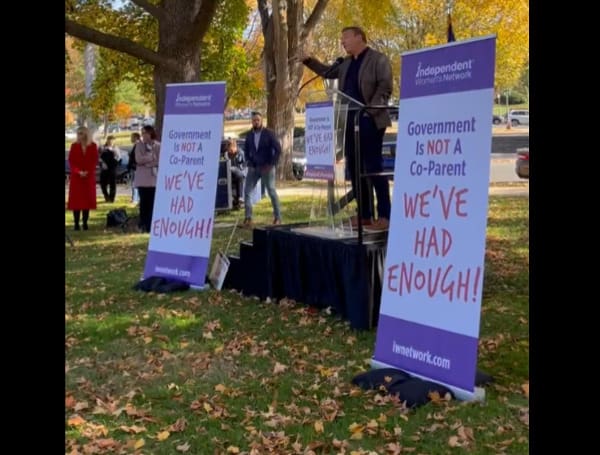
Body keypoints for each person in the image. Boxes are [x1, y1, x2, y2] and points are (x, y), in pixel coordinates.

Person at [300, 26, 393, 230]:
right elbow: (326, 72)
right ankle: (365, 215)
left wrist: (369, 110)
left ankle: (386, 215)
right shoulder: (345, 63)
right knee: (355, 168)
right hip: (349, 121)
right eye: (342, 39)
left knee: (373, 167)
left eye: (346, 38)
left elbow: (385, 86)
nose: (343, 42)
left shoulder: (378, 59)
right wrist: (308, 60)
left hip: (370, 119)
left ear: (359, 37)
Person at [243, 112, 282, 227]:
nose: (256, 122)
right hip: (254, 167)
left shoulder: (268, 133)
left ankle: (278, 217)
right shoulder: (249, 135)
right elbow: (246, 150)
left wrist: (271, 164)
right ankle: (248, 218)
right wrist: (249, 161)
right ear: (252, 121)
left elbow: (278, 149)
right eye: (254, 120)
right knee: (247, 192)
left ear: (262, 121)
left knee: (271, 191)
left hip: (267, 167)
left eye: (258, 120)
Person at [67, 126, 98, 231]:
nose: (79, 136)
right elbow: (71, 161)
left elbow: (94, 161)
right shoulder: (74, 146)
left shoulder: (93, 146)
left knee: (86, 201)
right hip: (77, 178)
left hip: (88, 178)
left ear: (86, 134)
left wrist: (87, 172)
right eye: (78, 133)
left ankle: (85, 222)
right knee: (76, 201)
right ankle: (76, 223)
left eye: (81, 133)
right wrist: (78, 172)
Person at [134, 125, 160, 233]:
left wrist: (150, 163)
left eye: (145, 133)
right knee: (143, 203)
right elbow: (138, 159)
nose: (143, 135)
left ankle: (150, 225)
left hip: (153, 179)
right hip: (142, 180)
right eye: (142, 133)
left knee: (152, 203)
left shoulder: (158, 145)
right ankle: (143, 224)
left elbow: (159, 160)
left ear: (151, 133)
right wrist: (150, 158)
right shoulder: (139, 146)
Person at [224, 138, 247, 209]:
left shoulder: (241, 153)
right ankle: (232, 200)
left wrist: (242, 172)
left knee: (239, 176)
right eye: (228, 150)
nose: (229, 151)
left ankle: (241, 198)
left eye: (230, 149)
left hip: (240, 173)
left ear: (235, 147)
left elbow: (245, 166)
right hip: (230, 174)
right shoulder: (226, 154)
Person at [99, 135, 121, 202]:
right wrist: (102, 163)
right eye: (110, 140)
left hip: (112, 168)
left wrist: (114, 153)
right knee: (103, 184)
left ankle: (111, 198)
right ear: (107, 140)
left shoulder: (116, 148)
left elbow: (119, 157)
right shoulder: (102, 148)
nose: (111, 142)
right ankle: (106, 195)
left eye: (112, 140)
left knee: (112, 184)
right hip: (104, 168)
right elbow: (98, 157)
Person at [128, 132, 141, 204]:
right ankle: (136, 198)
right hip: (134, 167)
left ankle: (135, 199)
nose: (131, 139)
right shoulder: (136, 145)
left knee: (134, 183)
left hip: (136, 168)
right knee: (134, 183)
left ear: (136, 138)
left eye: (132, 137)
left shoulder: (138, 145)